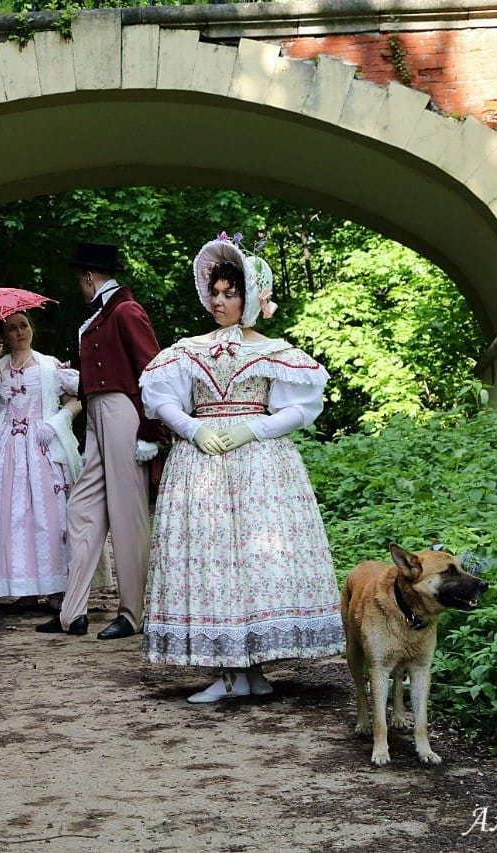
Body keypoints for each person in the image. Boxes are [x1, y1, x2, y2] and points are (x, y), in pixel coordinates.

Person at [138, 234, 345, 703]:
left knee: (255, 561)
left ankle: (251, 670)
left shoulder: (275, 352)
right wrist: (192, 429)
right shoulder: (188, 349)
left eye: (230, 293)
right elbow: (160, 399)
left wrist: (257, 429)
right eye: (215, 292)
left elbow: (300, 408)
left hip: (259, 467)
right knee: (214, 560)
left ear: (250, 298)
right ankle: (227, 671)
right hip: (203, 462)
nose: (218, 301)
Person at [38, 242, 164, 640]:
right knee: (82, 509)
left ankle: (133, 614)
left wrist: (149, 429)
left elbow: (152, 369)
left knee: (128, 516)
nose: (79, 286)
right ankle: (72, 613)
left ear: (90, 278)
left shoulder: (125, 310)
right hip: (95, 414)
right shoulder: (101, 313)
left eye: (79, 280)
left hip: (123, 411)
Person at [0, 311, 87, 608]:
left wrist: (58, 420)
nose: (19, 332)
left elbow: (79, 398)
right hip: (6, 453)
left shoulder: (50, 367)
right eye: (11, 329)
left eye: (23, 325)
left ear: (31, 328)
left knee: (49, 517)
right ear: (3, 336)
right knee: (14, 518)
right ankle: (23, 587)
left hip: (43, 449)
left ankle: (56, 588)